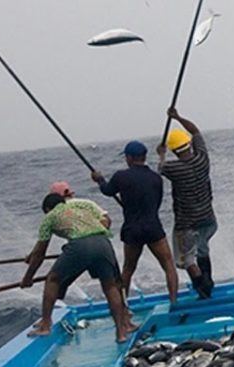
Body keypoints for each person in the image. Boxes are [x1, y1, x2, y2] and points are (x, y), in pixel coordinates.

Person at [21, 193, 132, 343]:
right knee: (110, 286)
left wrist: (28, 278)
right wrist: (31, 255)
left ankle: (45, 325)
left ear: (47, 209)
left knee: (52, 279)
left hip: (80, 245)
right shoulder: (79, 207)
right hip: (103, 242)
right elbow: (106, 221)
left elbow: (40, 254)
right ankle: (121, 333)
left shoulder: (50, 216)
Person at [91, 140, 180, 308]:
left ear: (130, 158)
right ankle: (174, 301)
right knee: (168, 264)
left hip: (132, 229)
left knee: (128, 268)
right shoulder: (156, 178)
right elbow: (157, 202)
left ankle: (123, 306)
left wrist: (99, 180)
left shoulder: (121, 176)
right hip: (153, 227)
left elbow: (108, 191)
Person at [158, 108, 216, 298]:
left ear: (174, 151)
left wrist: (161, 154)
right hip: (208, 218)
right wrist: (178, 117)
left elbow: (160, 168)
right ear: (189, 144)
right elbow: (195, 130)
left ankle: (203, 287)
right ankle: (208, 281)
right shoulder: (202, 158)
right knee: (203, 250)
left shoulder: (173, 168)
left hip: (187, 224)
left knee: (187, 260)